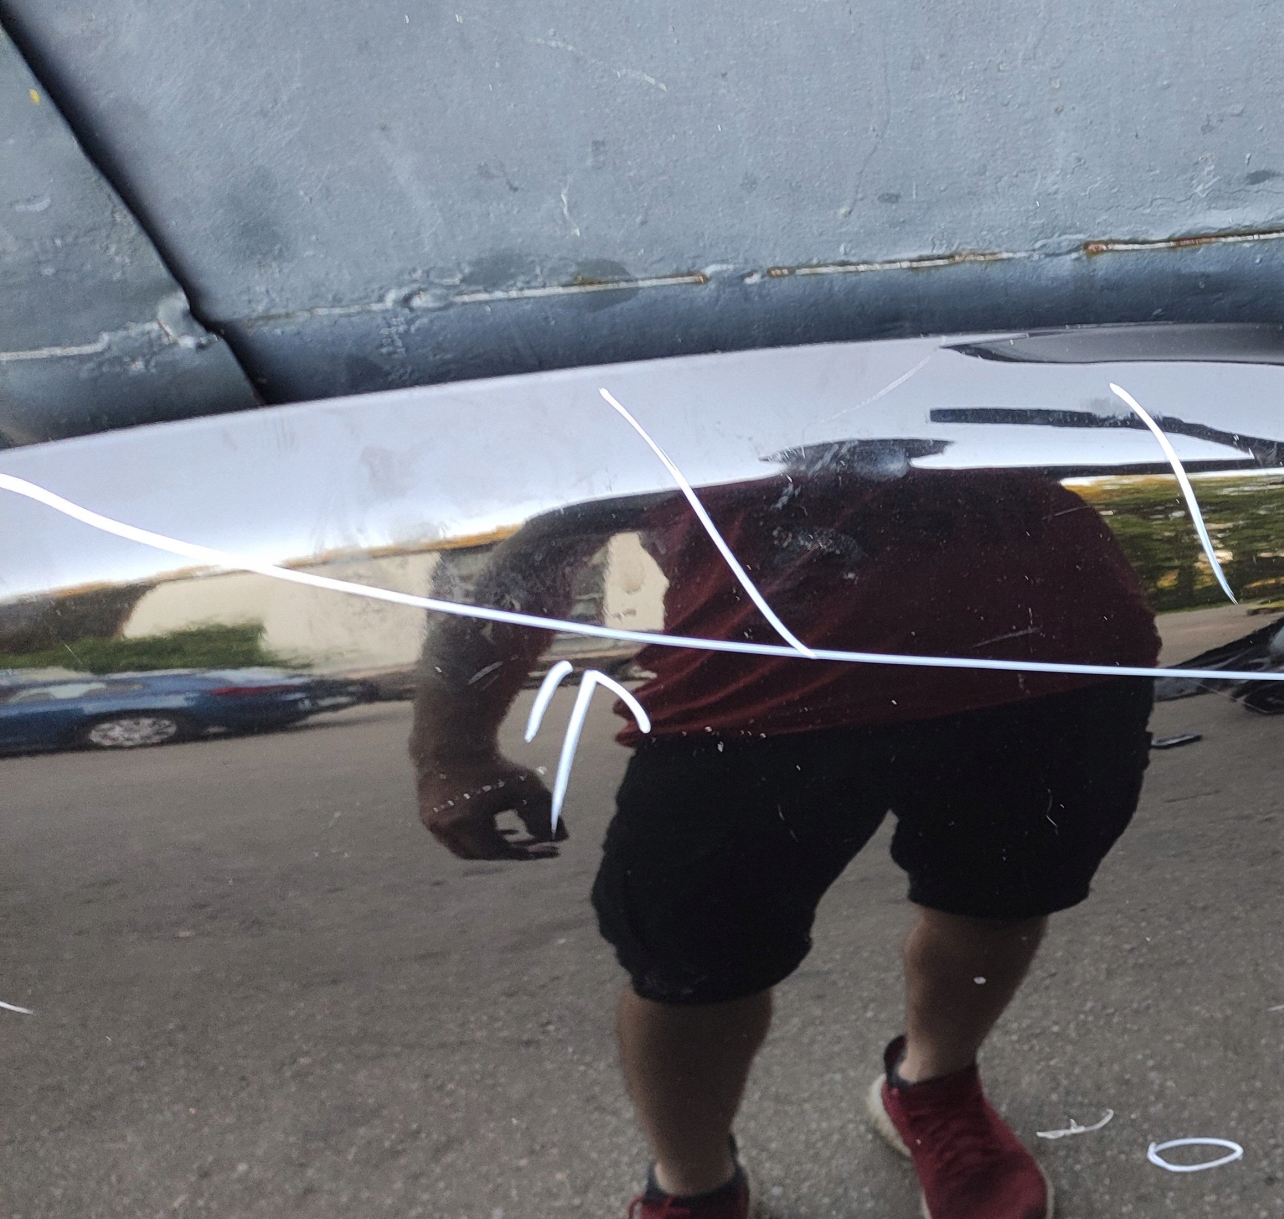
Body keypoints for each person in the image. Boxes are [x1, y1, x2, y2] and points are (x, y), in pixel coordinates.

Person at [408, 449, 1162, 1219]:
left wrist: (454, 748)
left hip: (1052, 664)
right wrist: (451, 747)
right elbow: (551, 531)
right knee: (691, 969)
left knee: (997, 903)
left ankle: (932, 1086)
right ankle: (693, 1182)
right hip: (752, 695)